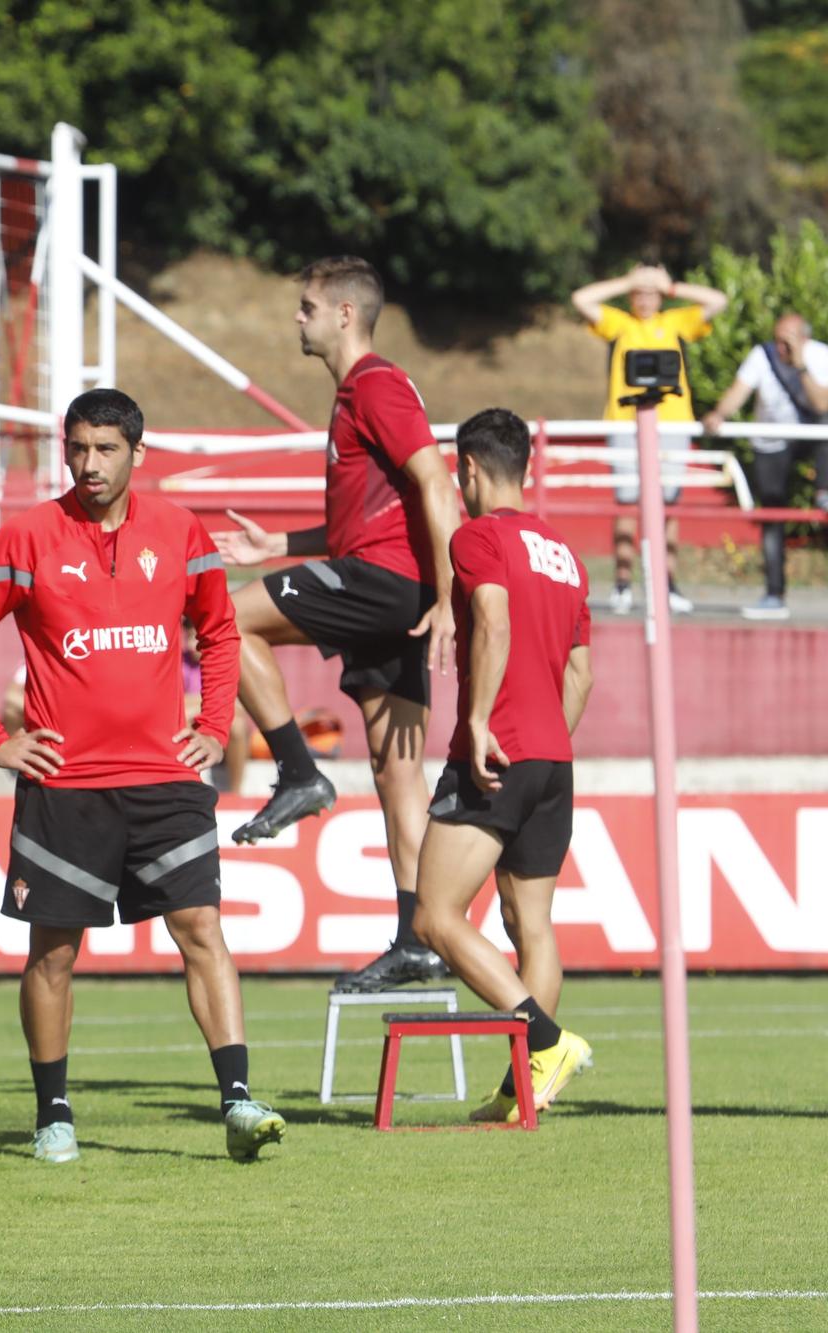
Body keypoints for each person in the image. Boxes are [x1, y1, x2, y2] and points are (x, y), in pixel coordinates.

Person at [0, 388, 284, 1167]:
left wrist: (213, 723)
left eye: (106, 450)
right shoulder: (26, 537)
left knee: (201, 929)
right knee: (54, 953)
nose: (89, 465)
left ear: (138, 452)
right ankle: (53, 1113)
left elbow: (221, 631)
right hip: (65, 787)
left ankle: (237, 1099)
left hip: (166, 782)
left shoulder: (180, 531)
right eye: (78, 448)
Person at [215, 256, 460, 994]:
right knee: (398, 772)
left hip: (384, 583)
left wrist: (451, 596)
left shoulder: (376, 385)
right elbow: (366, 516)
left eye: (307, 306)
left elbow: (436, 483)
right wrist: (279, 545)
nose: (298, 318)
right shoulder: (365, 392)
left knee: (223, 618)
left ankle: (296, 769)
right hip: (390, 584)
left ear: (345, 315)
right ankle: (419, 935)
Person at [408, 408, 596, 1123]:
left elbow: (491, 616)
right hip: (553, 756)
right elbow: (581, 671)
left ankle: (546, 1042)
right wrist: (546, 741)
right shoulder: (566, 555)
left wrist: (483, 720)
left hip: (496, 750)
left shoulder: (479, 536)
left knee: (434, 915)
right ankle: (526, 1090)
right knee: (531, 925)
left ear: (471, 471)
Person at [570, 263, 729, 615]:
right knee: (627, 503)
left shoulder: (673, 322)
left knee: (668, 506)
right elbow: (581, 299)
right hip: (625, 423)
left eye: (650, 293)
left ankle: (667, 585)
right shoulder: (620, 324)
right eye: (639, 293)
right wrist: (627, 280)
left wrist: (672, 286)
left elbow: (718, 301)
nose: (644, 299)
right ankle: (623, 584)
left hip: (672, 425)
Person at [701, 311, 828, 620]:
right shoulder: (762, 356)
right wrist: (718, 415)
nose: (781, 347)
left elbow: (823, 405)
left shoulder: (820, 355)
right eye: (779, 339)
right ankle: (774, 594)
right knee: (772, 513)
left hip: (811, 435)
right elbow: (738, 392)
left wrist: (799, 365)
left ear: (805, 338)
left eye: (789, 340)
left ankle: (825, 490)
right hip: (770, 441)